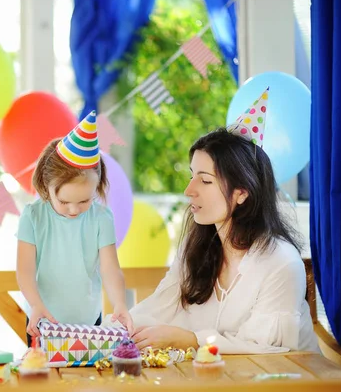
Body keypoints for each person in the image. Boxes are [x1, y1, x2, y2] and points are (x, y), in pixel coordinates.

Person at [112, 88, 319, 354]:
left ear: (242, 192)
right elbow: (156, 308)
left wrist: (190, 340)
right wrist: (105, 331)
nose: (189, 190)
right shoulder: (195, 248)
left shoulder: (280, 262)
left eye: (205, 180)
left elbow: (269, 351)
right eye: (192, 176)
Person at [16, 111, 134, 347]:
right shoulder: (33, 216)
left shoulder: (101, 217)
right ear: (45, 185)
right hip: (43, 320)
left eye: (84, 201)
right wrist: (36, 304)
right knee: (46, 381)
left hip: (90, 322)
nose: (73, 210)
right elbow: (25, 270)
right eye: (64, 202)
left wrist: (120, 303)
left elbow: (110, 268)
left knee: (88, 382)